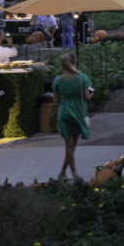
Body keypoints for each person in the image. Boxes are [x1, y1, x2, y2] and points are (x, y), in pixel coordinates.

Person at [53, 54, 93, 182]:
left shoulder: (58, 80)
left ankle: (63, 173)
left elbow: (55, 100)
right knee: (72, 147)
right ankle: (74, 175)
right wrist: (93, 90)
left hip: (64, 112)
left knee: (68, 147)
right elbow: (88, 97)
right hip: (78, 112)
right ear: (75, 62)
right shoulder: (83, 78)